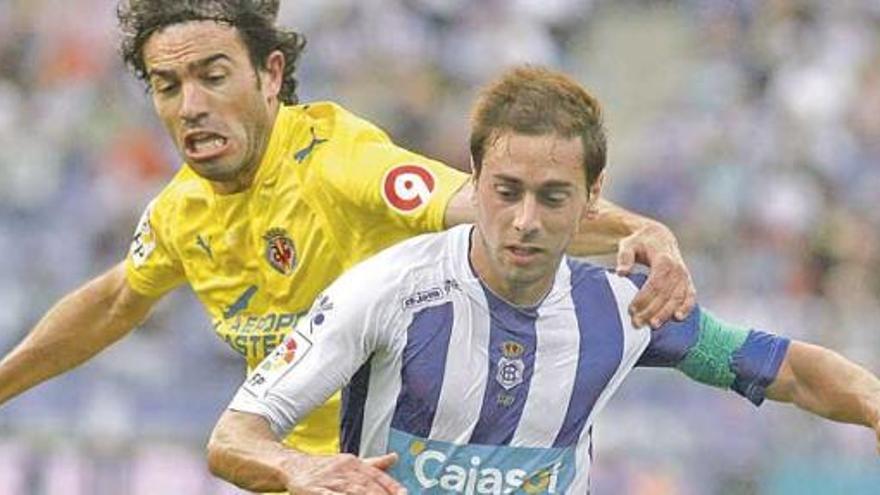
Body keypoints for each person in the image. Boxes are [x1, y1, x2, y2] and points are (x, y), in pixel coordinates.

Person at [0, 0, 695, 456]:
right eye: (168, 85)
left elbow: (496, 209)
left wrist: (643, 230)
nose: (192, 106)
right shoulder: (182, 210)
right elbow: (120, 297)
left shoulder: (337, 160)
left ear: (271, 74)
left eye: (214, 76)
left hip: (413, 466)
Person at [206, 66, 880, 495]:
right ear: (474, 176)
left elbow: (780, 368)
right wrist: (304, 467)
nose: (524, 220)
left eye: (553, 196)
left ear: (594, 196)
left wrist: (875, 404)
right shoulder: (387, 292)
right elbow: (234, 436)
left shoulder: (624, 310)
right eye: (507, 190)